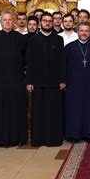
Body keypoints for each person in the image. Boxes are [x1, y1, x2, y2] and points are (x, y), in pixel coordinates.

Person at [26, 12, 67, 147]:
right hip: (37, 83)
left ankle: (53, 139)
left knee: (53, 112)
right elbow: (29, 62)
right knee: (38, 113)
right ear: (40, 23)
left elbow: (62, 62)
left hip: (55, 83)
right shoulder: (33, 40)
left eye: (50, 21)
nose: (48, 23)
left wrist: (62, 80)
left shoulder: (58, 39)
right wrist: (29, 81)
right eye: (45, 21)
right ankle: (38, 139)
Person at [0, 10, 28, 147]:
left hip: (16, 80)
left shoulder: (21, 38)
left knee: (16, 109)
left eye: (10, 19)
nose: (7, 22)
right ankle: (0, 138)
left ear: (14, 21)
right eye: (4, 20)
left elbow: (25, 60)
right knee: (0, 109)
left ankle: (17, 137)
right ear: (0, 22)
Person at [64, 22, 90, 142]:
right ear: (78, 32)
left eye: (86, 31)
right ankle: (73, 135)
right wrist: (65, 82)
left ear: (89, 33)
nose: (84, 33)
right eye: (82, 30)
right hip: (73, 85)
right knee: (74, 110)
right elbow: (63, 66)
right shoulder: (69, 47)